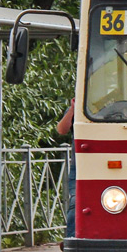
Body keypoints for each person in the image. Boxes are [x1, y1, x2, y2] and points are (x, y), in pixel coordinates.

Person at [56, 99, 76, 238]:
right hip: (81, 167)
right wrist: (73, 109)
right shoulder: (82, 108)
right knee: (76, 203)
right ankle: (71, 239)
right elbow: (61, 130)